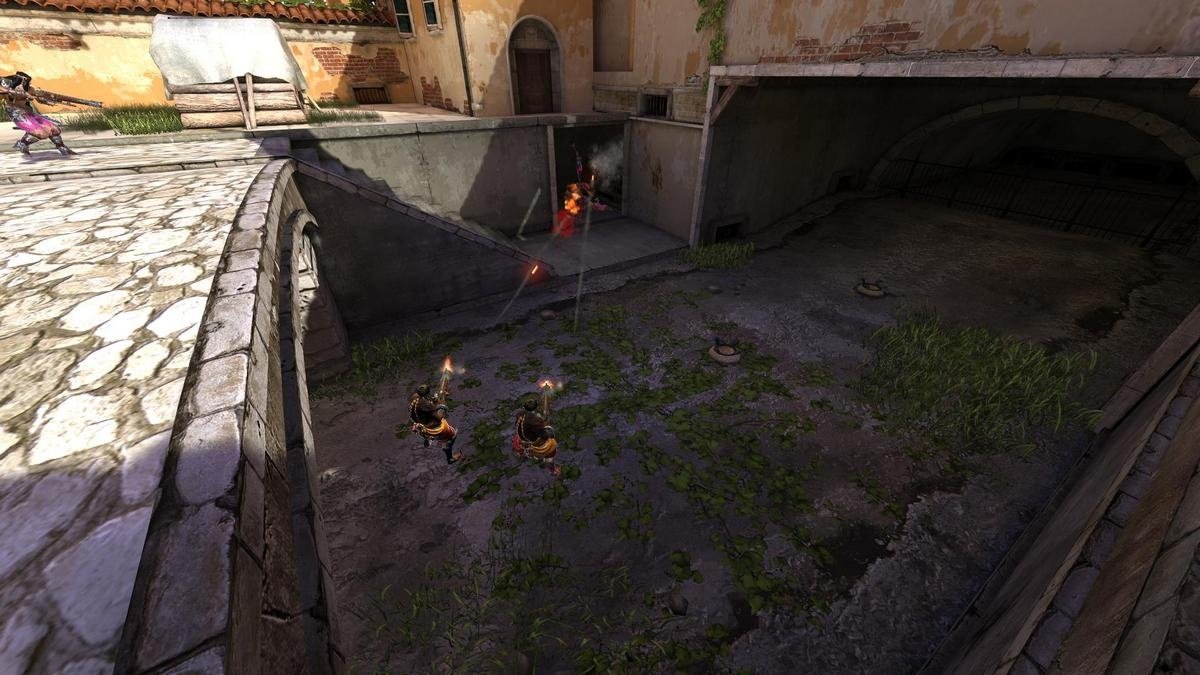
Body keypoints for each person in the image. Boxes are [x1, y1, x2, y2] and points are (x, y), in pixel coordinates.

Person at [1, 72, 76, 156]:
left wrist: (44, 99)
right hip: (16, 114)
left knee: (55, 129)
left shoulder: (30, 89)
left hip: (28, 112)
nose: (25, 83)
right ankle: (22, 143)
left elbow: (38, 98)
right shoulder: (8, 89)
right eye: (23, 81)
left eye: (26, 81)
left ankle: (63, 148)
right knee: (41, 133)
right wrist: (11, 91)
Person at [408, 384, 462, 464]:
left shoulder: (414, 399)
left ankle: (428, 438)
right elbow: (438, 417)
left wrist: (434, 401)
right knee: (452, 435)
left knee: (425, 430)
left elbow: (424, 408)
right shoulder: (425, 404)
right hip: (432, 427)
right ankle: (450, 459)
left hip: (420, 423)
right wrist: (442, 406)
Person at [512, 398, 560, 476]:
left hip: (521, 437)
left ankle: (520, 453)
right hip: (532, 441)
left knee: (520, 441)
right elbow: (543, 434)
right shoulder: (535, 421)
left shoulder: (520, 414)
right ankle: (553, 470)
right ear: (535, 408)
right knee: (551, 449)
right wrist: (550, 432)